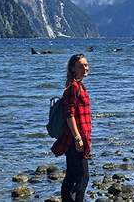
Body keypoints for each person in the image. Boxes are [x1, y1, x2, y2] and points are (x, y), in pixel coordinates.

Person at [51, 53, 91, 202]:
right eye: (82, 65)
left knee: (72, 175)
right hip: (74, 139)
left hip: (78, 138)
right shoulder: (73, 88)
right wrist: (77, 137)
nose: (86, 68)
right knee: (83, 176)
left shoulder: (79, 86)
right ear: (73, 69)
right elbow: (70, 114)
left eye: (86, 65)